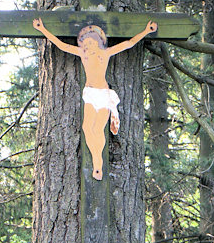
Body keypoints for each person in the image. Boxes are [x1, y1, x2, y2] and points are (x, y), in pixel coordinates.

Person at [33, 18, 158, 180]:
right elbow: (61, 45)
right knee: (87, 127)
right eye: (86, 43)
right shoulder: (83, 54)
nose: (89, 45)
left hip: (103, 94)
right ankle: (96, 159)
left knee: (98, 129)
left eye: (92, 42)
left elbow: (129, 43)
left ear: (99, 43)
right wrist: (42, 29)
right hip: (90, 94)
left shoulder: (105, 53)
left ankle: (98, 164)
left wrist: (146, 31)